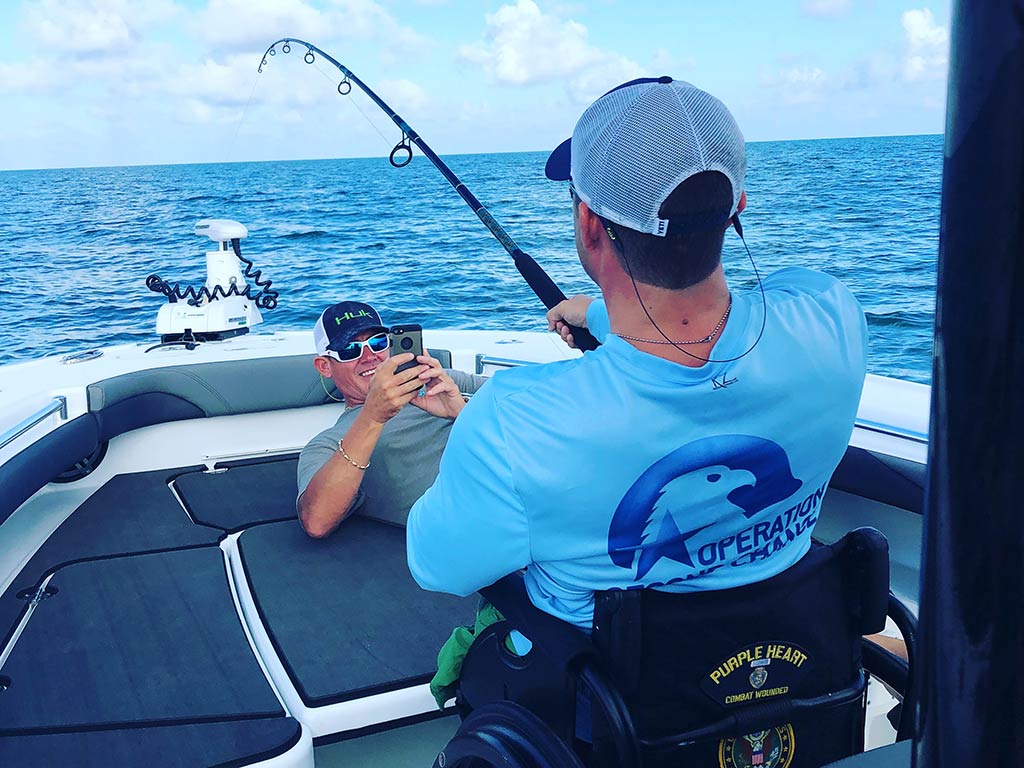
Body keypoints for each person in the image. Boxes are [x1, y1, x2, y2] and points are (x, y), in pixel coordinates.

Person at [406, 77, 869, 633]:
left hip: (614, 707)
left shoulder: (513, 423)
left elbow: (436, 568)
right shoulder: (829, 315)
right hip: (789, 662)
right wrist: (595, 313)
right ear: (736, 207)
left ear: (589, 226)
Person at [297, 301, 488, 538]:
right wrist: (373, 416)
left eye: (378, 343)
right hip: (466, 537)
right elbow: (317, 521)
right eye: (350, 350)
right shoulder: (327, 443)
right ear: (325, 366)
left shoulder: (444, 382)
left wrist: (462, 410)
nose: (370, 357)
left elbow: (535, 407)